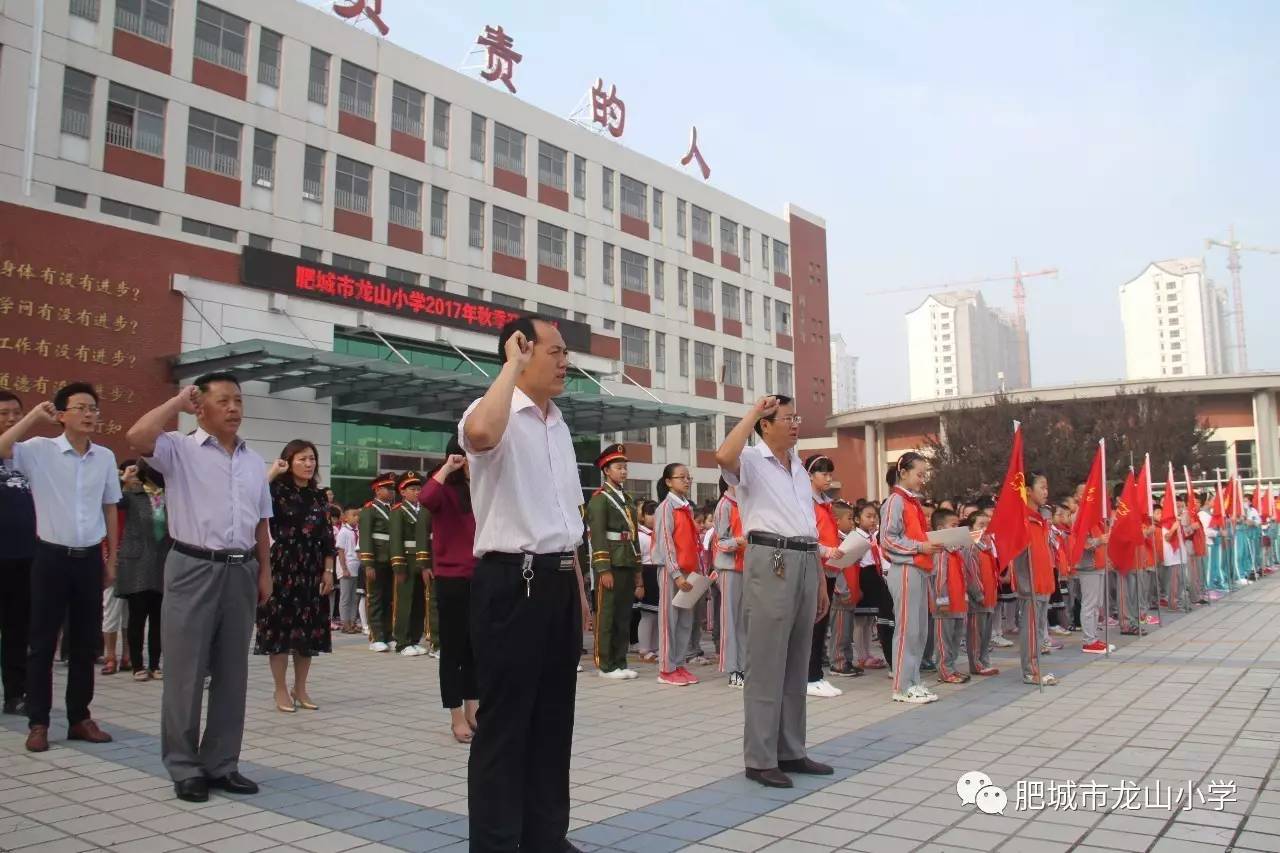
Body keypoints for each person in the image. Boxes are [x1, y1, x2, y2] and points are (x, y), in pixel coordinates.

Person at [460, 317, 590, 853]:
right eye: (555, 351)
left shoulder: (558, 424)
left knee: (553, 721)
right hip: (512, 583)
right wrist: (509, 368)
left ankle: (544, 837)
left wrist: (579, 588)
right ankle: (495, 844)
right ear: (521, 350)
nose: (565, 362)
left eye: (566, 353)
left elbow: (568, 517)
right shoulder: (490, 410)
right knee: (505, 727)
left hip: (558, 579)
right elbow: (481, 437)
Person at [126, 374, 272, 803]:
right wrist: (175, 401)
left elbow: (262, 522)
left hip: (240, 569)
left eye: (238, 400)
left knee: (232, 672)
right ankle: (184, 765)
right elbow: (136, 435)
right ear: (201, 406)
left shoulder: (252, 460)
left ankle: (222, 763)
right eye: (223, 400)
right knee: (185, 673)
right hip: (192, 565)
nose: (234, 408)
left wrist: (265, 571)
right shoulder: (178, 449)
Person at [716, 395, 832, 789]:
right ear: (766, 425)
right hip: (772, 559)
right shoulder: (751, 459)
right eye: (787, 418)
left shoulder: (799, 468)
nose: (795, 423)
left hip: (804, 559)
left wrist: (818, 578)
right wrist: (750, 412)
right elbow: (722, 455)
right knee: (766, 661)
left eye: (797, 417)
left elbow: (807, 526)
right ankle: (760, 758)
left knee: (797, 661)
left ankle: (791, 749)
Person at [0, 383, 120, 752]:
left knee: (85, 644)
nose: (88, 414)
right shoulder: (40, 451)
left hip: (87, 560)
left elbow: (110, 507)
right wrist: (34, 416)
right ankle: (38, 722)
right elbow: (3, 448)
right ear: (62, 414)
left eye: (93, 408)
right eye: (80, 408)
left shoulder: (105, 457)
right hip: (49, 558)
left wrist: (111, 558)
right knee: (41, 644)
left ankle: (79, 718)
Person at [256, 440, 334, 712]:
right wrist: (272, 472)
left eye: (312, 458)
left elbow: (327, 537)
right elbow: (251, 498)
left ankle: (300, 688)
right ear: (288, 461)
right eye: (302, 459)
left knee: (308, 633)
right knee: (280, 632)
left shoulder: (319, 497)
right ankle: (280, 689)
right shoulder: (276, 490)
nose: (308, 464)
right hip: (282, 566)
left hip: (312, 569)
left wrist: (328, 569)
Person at [423, 442, 479, 743]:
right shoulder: (443, 487)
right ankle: (456, 715)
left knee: (476, 649)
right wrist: (448, 467)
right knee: (453, 651)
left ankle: (473, 710)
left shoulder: (481, 485)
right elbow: (425, 497)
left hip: (481, 577)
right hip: (452, 579)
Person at [880, 451, 942, 705]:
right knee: (907, 629)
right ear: (902, 472)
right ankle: (902, 686)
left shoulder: (912, 502)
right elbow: (887, 538)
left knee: (919, 630)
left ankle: (914, 681)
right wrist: (919, 547)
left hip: (918, 568)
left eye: (924, 474)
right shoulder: (896, 501)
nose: (922, 479)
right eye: (919, 474)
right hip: (905, 569)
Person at [586, 444, 643, 680]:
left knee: (623, 615)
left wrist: (638, 573)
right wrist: (603, 569)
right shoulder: (600, 500)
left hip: (627, 562)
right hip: (610, 564)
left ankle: (620, 661)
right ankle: (605, 664)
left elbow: (634, 536)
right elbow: (597, 536)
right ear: (606, 470)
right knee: (606, 615)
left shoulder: (627, 499)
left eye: (625, 467)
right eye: (619, 467)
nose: (623, 471)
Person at [116, 459, 170, 681]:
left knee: (159, 618)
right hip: (137, 563)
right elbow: (109, 499)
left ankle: (156, 664)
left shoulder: (167, 496)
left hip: (162, 562)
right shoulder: (132, 494)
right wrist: (123, 480)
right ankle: (138, 664)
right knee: (137, 616)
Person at [0, 390, 36, 717]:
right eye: (5, 413)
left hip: (25, 558)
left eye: (17, 412)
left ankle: (15, 694)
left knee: (17, 629)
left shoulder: (29, 457)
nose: (12, 419)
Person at [653, 463, 701, 687]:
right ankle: (666, 668)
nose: (686, 480)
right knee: (669, 621)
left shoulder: (687, 508)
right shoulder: (665, 508)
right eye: (681, 477)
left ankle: (679, 664)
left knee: (684, 622)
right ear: (668, 482)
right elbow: (666, 542)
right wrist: (676, 574)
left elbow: (694, 542)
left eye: (688, 477)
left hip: (689, 572)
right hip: (672, 572)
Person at [1013, 472, 1058, 687]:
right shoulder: (1021, 518)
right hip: (1029, 583)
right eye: (1042, 487)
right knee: (1030, 630)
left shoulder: (1041, 518)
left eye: (1047, 487)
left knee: (1039, 630)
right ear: (1028, 490)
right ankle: (1030, 672)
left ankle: (1036, 667)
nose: (1046, 492)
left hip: (1044, 581)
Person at [806, 455, 843, 698]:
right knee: (814, 623)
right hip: (814, 567)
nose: (829, 478)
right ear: (810, 475)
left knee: (822, 622)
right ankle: (810, 676)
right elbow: (808, 538)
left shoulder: (826, 503)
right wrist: (828, 550)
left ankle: (816, 673)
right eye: (824, 474)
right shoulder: (806, 502)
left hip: (829, 567)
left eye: (830, 474)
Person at [389, 470, 430, 657]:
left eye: (418, 488)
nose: (416, 492)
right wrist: (398, 565)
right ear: (402, 492)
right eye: (412, 489)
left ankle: (414, 638)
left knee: (419, 602)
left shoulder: (424, 510)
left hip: (420, 559)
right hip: (405, 558)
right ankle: (401, 641)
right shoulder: (398, 511)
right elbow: (396, 539)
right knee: (404, 601)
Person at [712, 479, 747, 688]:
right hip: (729, 569)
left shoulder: (745, 503)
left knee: (744, 621)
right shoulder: (724, 505)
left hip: (747, 568)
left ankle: (743, 666)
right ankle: (733, 669)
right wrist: (740, 541)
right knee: (730, 620)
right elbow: (720, 542)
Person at [359, 473, 397, 652]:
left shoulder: (392, 509)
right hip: (376, 559)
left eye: (392, 489)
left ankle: (388, 634)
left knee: (389, 599)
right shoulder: (369, 509)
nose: (391, 492)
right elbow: (366, 537)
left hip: (390, 559)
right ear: (377, 489)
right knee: (375, 598)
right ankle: (376, 636)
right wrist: (368, 563)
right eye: (387, 489)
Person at [964, 509, 1000, 675]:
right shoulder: (971, 546)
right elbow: (971, 573)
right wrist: (978, 593)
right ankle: (976, 664)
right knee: (976, 634)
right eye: (981, 525)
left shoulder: (987, 545)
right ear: (971, 528)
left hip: (990, 596)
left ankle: (985, 661)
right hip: (977, 599)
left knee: (986, 634)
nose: (985, 529)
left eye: (987, 525)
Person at [634, 500, 660, 663]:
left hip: (657, 572)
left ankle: (655, 648)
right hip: (646, 573)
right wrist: (639, 584)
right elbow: (637, 561)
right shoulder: (639, 535)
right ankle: (644, 649)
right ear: (642, 516)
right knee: (647, 614)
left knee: (657, 614)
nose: (654, 517)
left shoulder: (658, 533)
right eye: (650, 513)